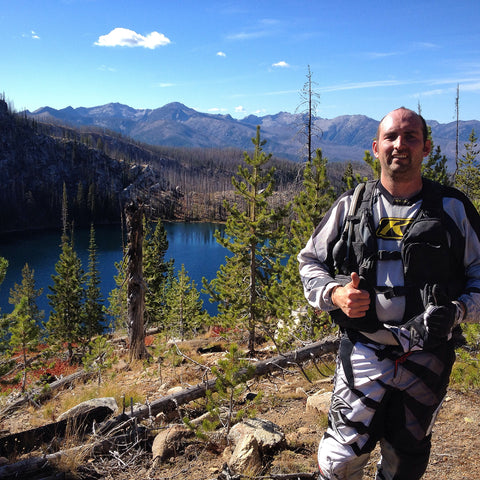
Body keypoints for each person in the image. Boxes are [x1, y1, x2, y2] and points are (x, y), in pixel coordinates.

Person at [298, 107, 480, 480]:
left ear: (427, 147)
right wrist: (335, 294)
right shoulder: (351, 206)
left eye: (411, 136)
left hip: (429, 355)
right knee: (338, 460)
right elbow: (309, 262)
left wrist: (458, 311)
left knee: (406, 461)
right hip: (364, 348)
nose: (400, 144)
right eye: (392, 137)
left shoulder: (453, 209)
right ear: (376, 146)